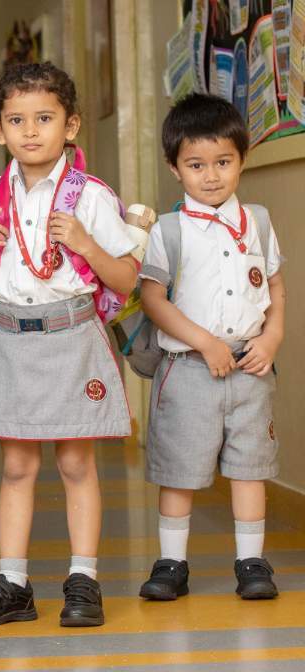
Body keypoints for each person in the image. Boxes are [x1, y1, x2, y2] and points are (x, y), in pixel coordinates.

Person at [0, 62, 138, 628]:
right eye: (16, 120)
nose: (30, 131)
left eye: (44, 118)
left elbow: (128, 278)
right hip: (10, 337)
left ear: (70, 125)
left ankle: (84, 580)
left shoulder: (91, 196)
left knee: (77, 463)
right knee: (16, 466)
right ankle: (13, 583)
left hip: (71, 335)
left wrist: (86, 244)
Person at [138, 93, 284, 602]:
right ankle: (171, 564)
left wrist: (271, 337)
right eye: (196, 165)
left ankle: (251, 563)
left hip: (250, 366)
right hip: (188, 368)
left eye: (223, 162)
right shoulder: (168, 229)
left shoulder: (258, 221)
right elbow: (152, 297)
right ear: (174, 168)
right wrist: (203, 342)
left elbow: (275, 287)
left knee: (249, 467)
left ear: (242, 159)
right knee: (179, 469)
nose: (212, 175)